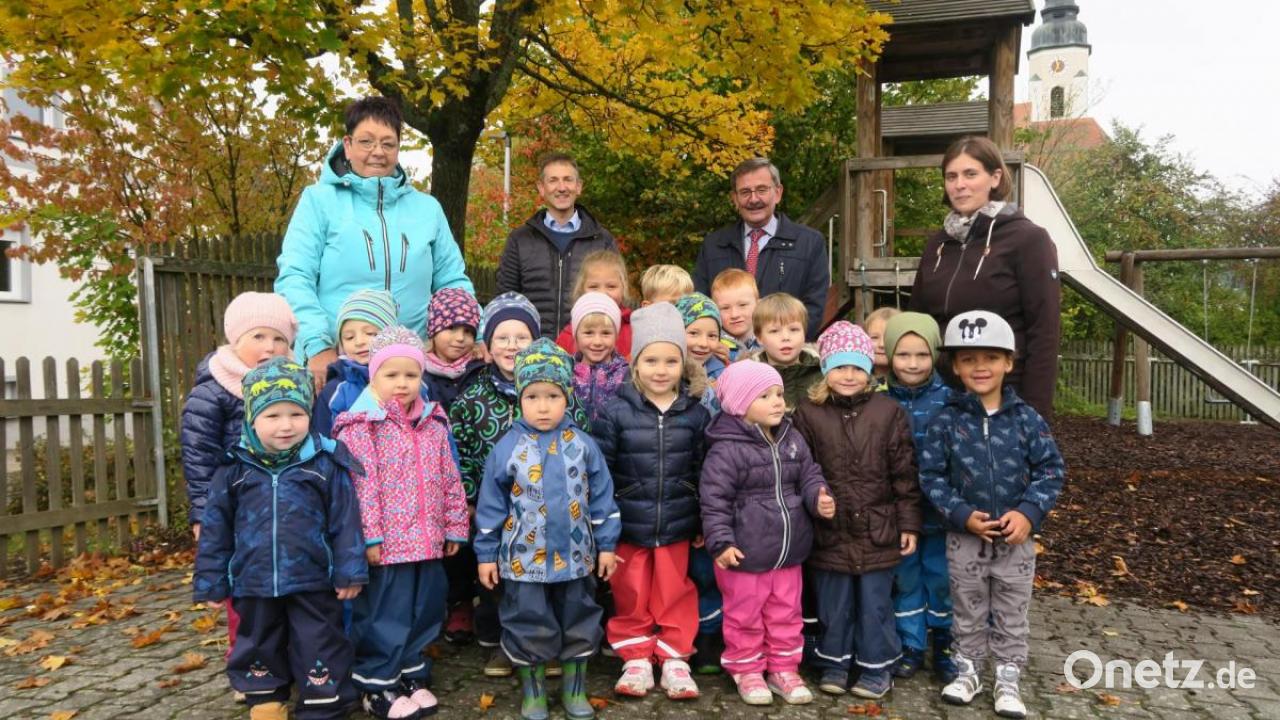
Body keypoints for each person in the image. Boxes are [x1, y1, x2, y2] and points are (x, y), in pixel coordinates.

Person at [193, 357, 366, 720]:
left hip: (313, 578)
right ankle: (265, 696)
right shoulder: (234, 468)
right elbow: (216, 529)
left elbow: (345, 521)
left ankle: (323, 699)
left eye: (296, 414)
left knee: (319, 639)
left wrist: (350, 570)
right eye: (273, 416)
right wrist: (210, 581)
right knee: (257, 640)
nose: (286, 426)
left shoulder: (323, 463)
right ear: (252, 419)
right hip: (252, 580)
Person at [919, 310, 1066, 719]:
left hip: (1017, 542)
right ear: (956, 366)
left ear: (1008, 362)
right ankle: (967, 670)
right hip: (965, 538)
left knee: (1012, 608)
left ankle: (1008, 676)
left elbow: (1052, 470)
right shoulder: (945, 420)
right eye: (968, 359)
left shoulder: (1027, 420)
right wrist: (961, 513)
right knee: (966, 607)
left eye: (989, 357)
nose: (979, 367)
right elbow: (931, 476)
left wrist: (1029, 513)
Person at [276, 96, 474, 387]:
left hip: (412, 368)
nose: (377, 152)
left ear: (398, 147)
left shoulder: (427, 209)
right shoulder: (318, 202)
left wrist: (473, 331)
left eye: (388, 143)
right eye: (366, 141)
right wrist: (317, 344)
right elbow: (295, 277)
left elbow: (452, 280)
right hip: (341, 366)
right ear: (348, 144)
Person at [474, 339, 622, 720]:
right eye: (533, 396)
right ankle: (534, 691)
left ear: (567, 396)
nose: (543, 406)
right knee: (527, 621)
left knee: (580, 618)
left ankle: (575, 687)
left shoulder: (583, 445)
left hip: (575, 558)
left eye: (553, 396)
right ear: (520, 398)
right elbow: (490, 506)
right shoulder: (507, 448)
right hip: (523, 561)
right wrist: (486, 555)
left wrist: (606, 546)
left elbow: (603, 500)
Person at [449, 293, 591, 678]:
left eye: (521, 337)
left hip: (554, 508)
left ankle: (553, 647)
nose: (512, 345)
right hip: (496, 505)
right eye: (502, 338)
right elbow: (459, 448)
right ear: (488, 346)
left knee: (547, 587)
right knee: (499, 582)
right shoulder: (472, 396)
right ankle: (504, 646)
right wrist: (469, 496)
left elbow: (581, 444)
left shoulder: (562, 395)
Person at [332, 326, 470, 719]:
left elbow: (449, 478)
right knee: (384, 615)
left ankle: (411, 671)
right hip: (388, 545)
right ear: (373, 375)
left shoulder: (432, 423)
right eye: (391, 375)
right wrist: (370, 537)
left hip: (426, 539)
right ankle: (377, 681)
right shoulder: (361, 426)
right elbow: (361, 486)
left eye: (411, 375)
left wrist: (455, 526)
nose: (402, 383)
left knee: (425, 608)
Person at [792, 322, 920, 699]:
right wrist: (815, 497)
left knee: (875, 603)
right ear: (826, 369)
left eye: (856, 367)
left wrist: (908, 522)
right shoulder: (809, 413)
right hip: (830, 529)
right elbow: (800, 468)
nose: (848, 375)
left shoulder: (888, 413)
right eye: (840, 367)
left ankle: (876, 667)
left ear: (868, 370)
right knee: (834, 602)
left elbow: (904, 474)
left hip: (878, 530)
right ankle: (834, 662)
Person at [591, 303, 711, 700]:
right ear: (635, 363)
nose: (661, 370)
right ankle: (637, 656)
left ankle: (675, 657)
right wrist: (603, 522)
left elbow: (702, 470)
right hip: (629, 523)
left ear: (683, 364)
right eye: (652, 360)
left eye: (671, 361)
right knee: (631, 591)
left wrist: (701, 521)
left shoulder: (695, 414)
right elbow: (601, 471)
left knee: (674, 589)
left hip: (677, 520)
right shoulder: (615, 412)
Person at [699, 360, 835, 706]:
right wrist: (721, 543)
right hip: (744, 554)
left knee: (786, 613)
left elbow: (809, 473)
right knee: (744, 615)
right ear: (742, 403)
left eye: (778, 393)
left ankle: (784, 668)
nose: (777, 401)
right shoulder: (726, 449)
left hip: (789, 552)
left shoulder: (791, 437)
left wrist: (818, 497)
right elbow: (714, 501)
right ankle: (746, 669)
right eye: (765, 396)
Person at [181, 291, 298, 685]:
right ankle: (250, 664)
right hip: (233, 507)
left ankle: (286, 657)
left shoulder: (292, 385)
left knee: (284, 588)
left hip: (283, 505)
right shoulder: (213, 391)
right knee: (243, 594)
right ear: (236, 340)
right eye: (259, 337)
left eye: (279, 339)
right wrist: (202, 512)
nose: (270, 347)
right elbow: (198, 457)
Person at [909, 136, 1061, 418]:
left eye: (970, 174)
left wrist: (1035, 415)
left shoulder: (1028, 240)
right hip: (941, 395)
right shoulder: (938, 245)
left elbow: (1045, 332)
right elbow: (916, 321)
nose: (959, 184)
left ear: (995, 177)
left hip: (1004, 394)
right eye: (951, 176)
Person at [883, 312, 958, 684]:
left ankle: (944, 642)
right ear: (890, 356)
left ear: (935, 356)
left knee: (941, 577)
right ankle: (911, 644)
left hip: (941, 511)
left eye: (922, 355)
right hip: (898, 513)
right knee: (906, 579)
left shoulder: (952, 401)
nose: (913, 364)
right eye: (903, 355)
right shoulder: (879, 400)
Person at [694, 157, 829, 339]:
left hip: (784, 359)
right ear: (735, 198)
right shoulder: (713, 245)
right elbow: (700, 305)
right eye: (745, 192)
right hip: (725, 359)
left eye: (761, 190)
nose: (754, 199)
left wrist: (777, 347)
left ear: (778, 193)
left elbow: (813, 309)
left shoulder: (810, 243)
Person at [497, 152, 618, 340]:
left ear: (578, 187)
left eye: (568, 180)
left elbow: (616, 300)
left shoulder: (602, 241)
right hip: (533, 352)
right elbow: (506, 300)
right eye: (553, 180)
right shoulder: (520, 240)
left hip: (586, 353)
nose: (562, 188)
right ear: (541, 188)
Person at [313, 289, 401, 438]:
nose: (359, 342)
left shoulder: (409, 380)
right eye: (349, 337)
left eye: (370, 334)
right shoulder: (335, 390)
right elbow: (321, 440)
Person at [553, 249, 634, 357]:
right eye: (593, 287)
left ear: (623, 288)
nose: (602, 293)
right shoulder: (569, 335)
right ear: (581, 289)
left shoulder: (633, 331)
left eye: (611, 286)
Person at [749, 293, 821, 411]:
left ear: (804, 332)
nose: (785, 337)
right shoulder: (750, 377)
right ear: (759, 338)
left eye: (794, 329)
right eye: (774, 331)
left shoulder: (822, 372)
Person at [420, 287, 486, 410]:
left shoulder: (482, 371)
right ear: (433, 331)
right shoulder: (418, 371)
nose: (460, 338)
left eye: (468, 331)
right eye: (451, 328)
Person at [569, 292, 629, 425]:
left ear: (616, 336)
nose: (597, 341)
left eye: (606, 333)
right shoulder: (566, 372)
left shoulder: (626, 376)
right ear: (576, 335)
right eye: (589, 333)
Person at [710, 269, 761, 361]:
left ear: (758, 304)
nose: (734, 315)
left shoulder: (772, 339)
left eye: (742, 305)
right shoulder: (714, 346)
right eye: (725, 308)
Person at [860, 307, 900, 391]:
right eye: (874, 337)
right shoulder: (854, 381)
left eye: (888, 338)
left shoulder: (911, 383)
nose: (881, 344)